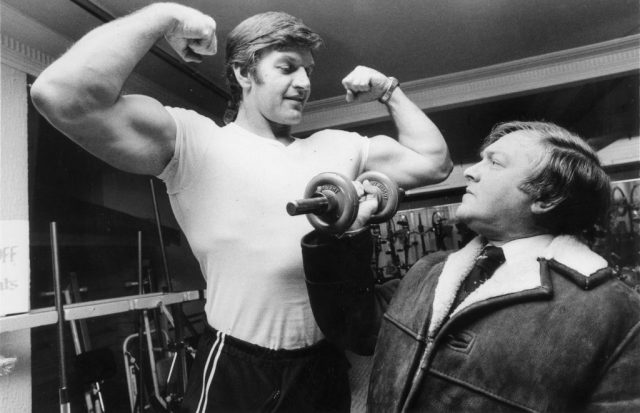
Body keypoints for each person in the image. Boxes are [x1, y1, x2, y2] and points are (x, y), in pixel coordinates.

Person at [30, 3, 452, 411]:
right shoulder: (195, 142)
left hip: (322, 365)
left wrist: (389, 92)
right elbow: (60, 96)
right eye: (287, 67)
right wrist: (164, 16)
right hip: (237, 365)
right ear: (242, 72)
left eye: (308, 70)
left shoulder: (339, 147)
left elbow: (435, 163)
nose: (305, 82)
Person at [302, 121, 640, 412]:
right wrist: (351, 230)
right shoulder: (430, 271)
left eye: (495, 163)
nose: (471, 170)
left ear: (545, 198)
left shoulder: (614, 312)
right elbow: (354, 327)